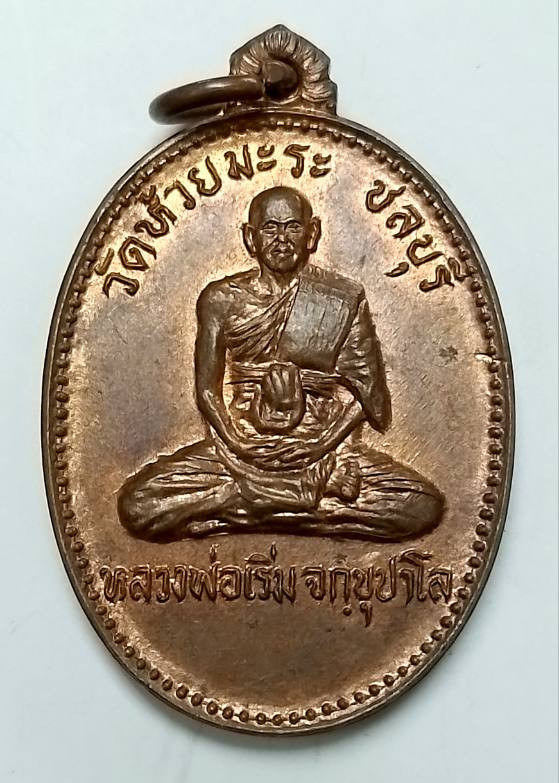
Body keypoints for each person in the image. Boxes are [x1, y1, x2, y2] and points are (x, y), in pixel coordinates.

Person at [118, 186, 443, 540]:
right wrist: (238, 442)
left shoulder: (342, 298)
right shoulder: (220, 299)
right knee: (138, 505)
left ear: (312, 234)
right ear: (250, 238)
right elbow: (207, 391)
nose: (282, 239)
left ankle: (249, 505)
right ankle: (301, 503)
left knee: (421, 505)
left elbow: (368, 396)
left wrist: (318, 444)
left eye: (292, 227)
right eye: (270, 228)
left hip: (320, 449)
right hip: (239, 451)